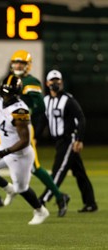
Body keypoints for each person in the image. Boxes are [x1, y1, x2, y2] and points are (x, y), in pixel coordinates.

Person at [0, 50, 70, 217]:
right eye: (16, 62)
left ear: (28, 65)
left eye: (22, 63)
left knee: (35, 168)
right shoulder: (10, 80)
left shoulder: (30, 81)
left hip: (21, 131)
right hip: (5, 130)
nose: (18, 65)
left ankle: (60, 196)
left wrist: (20, 113)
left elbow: (40, 107)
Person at [0, 74, 50, 225]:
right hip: (4, 147)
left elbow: (25, 141)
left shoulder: (20, 111)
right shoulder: (3, 99)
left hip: (19, 154)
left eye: (8, 94)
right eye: (3, 92)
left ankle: (40, 210)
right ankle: (8, 189)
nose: (5, 96)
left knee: (22, 188)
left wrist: (2, 152)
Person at [37, 70, 98, 212]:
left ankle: (43, 199)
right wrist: (34, 138)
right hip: (58, 142)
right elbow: (42, 121)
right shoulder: (45, 101)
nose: (55, 83)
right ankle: (90, 203)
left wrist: (79, 140)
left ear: (62, 82)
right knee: (79, 172)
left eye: (58, 80)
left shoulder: (68, 100)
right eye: (52, 80)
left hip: (68, 140)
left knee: (58, 170)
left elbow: (81, 118)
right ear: (47, 83)